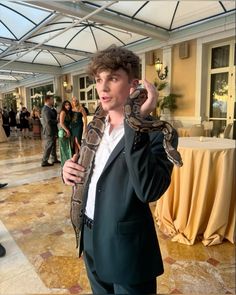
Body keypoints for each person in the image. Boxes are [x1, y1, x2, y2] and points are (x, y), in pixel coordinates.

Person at [62, 45, 178, 294]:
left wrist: (136, 126)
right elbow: (90, 171)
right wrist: (68, 169)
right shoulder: (95, 126)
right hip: (90, 235)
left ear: (134, 85)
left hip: (127, 247)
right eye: (98, 80)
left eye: (112, 79)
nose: (102, 88)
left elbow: (149, 191)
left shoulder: (158, 133)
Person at [41, 96, 60, 167]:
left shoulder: (50, 108)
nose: (53, 101)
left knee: (53, 145)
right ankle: (44, 161)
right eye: (52, 99)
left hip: (52, 129)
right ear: (47, 100)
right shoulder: (45, 109)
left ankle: (54, 158)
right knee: (49, 145)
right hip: (49, 130)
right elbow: (48, 121)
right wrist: (56, 121)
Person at [58, 100, 73, 167]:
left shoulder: (68, 112)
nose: (68, 106)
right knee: (64, 148)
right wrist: (67, 130)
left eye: (69, 104)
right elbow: (61, 123)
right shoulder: (63, 112)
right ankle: (65, 163)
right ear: (64, 106)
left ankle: (68, 162)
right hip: (63, 132)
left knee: (67, 147)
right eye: (66, 105)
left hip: (66, 131)